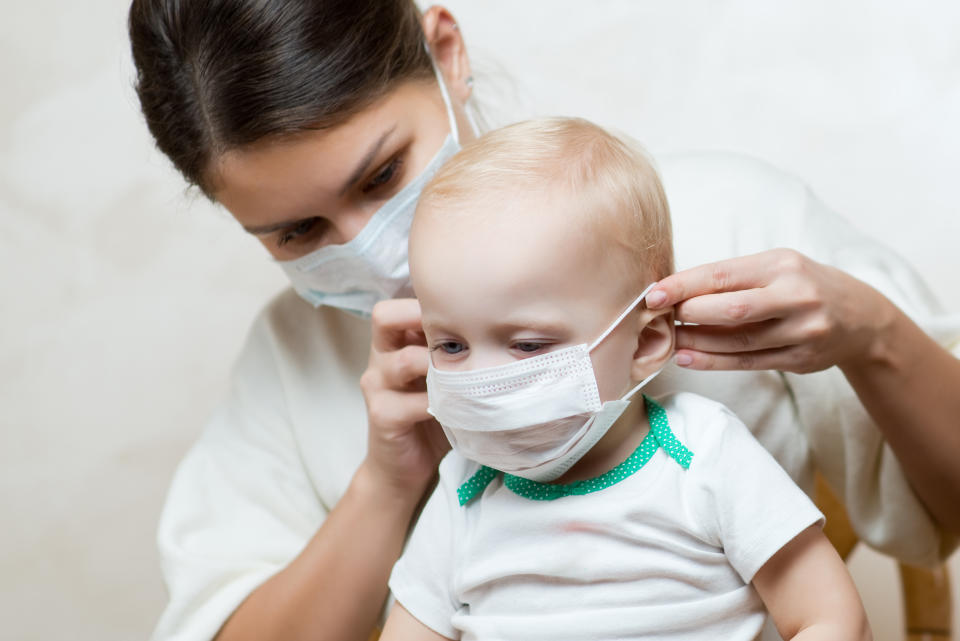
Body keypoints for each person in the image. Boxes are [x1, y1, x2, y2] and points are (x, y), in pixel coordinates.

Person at [126, 1, 960, 640]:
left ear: (446, 55)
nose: (376, 252)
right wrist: (387, 482)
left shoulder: (730, 221)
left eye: (383, 176)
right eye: (297, 233)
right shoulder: (289, 356)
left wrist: (873, 336)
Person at [379, 116, 870, 641]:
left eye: (528, 345)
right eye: (450, 346)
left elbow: (830, 617)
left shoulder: (702, 456)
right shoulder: (464, 487)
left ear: (647, 342)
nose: (483, 381)